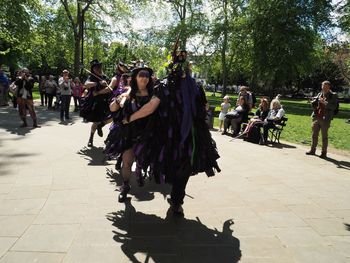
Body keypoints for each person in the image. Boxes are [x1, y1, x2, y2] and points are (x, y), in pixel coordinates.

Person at [120, 49, 220, 215]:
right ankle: (176, 201)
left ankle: (176, 200)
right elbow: (205, 108)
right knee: (181, 167)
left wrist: (130, 118)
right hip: (179, 136)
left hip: (177, 136)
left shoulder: (182, 87)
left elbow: (151, 108)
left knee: (180, 166)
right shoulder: (183, 86)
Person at [81, 59, 112, 147]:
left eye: (100, 67)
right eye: (96, 67)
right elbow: (86, 84)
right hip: (95, 103)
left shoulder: (105, 77)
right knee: (95, 122)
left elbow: (109, 88)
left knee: (112, 117)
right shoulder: (91, 77)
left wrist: (106, 84)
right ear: (93, 69)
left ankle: (101, 126)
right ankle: (91, 138)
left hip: (106, 102)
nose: (99, 69)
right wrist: (98, 83)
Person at [306, 81, 338, 158]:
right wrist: (313, 102)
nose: (324, 88)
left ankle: (324, 153)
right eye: (323, 86)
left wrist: (324, 102)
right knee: (314, 135)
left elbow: (334, 107)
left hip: (326, 118)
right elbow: (315, 105)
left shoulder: (333, 95)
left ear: (329, 87)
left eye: (325, 87)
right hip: (317, 117)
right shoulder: (320, 94)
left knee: (324, 136)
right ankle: (312, 150)